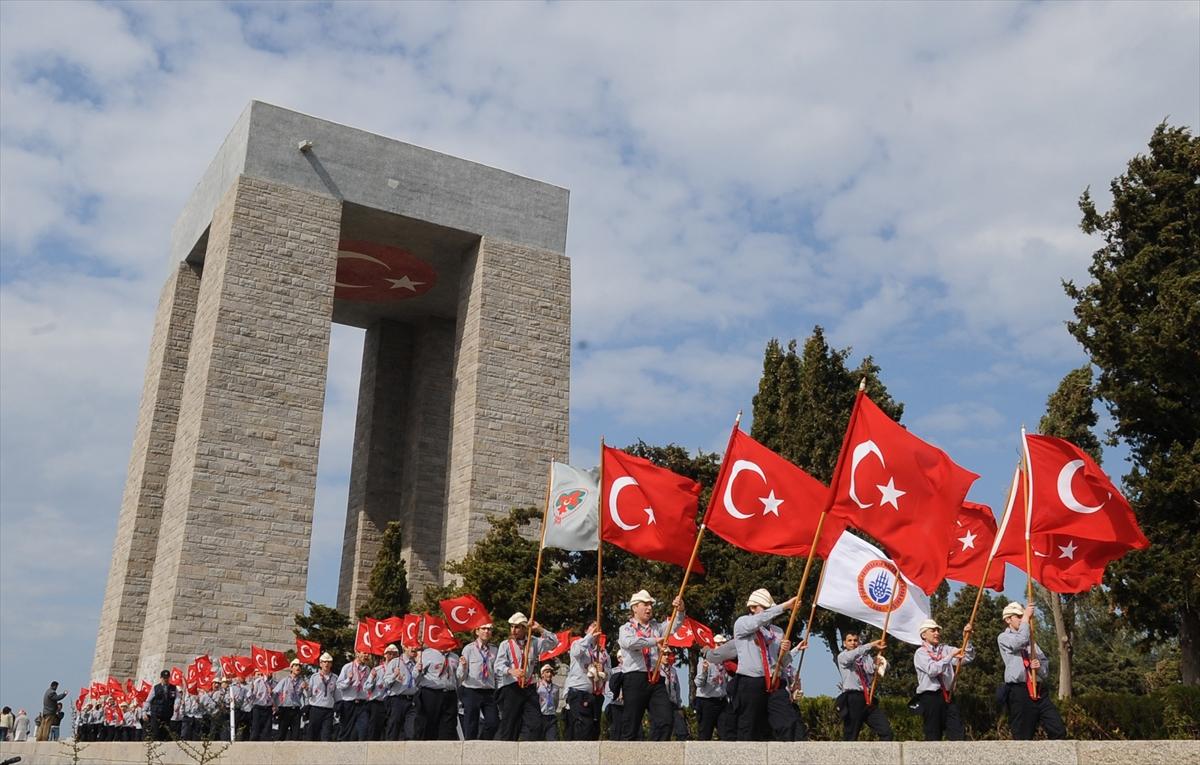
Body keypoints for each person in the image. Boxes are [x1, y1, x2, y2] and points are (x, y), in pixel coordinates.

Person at [731, 588, 801, 741]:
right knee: (749, 726)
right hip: (751, 682)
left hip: (775, 681)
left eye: (771, 608)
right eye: (765, 608)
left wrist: (785, 652)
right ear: (752, 608)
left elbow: (783, 661)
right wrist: (784, 607)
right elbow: (758, 621)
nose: (770, 613)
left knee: (788, 722)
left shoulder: (777, 631)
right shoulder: (742, 624)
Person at [617, 590, 685, 741]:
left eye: (651, 605)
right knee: (631, 725)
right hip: (634, 678)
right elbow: (631, 643)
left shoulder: (656, 627)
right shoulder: (626, 628)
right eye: (645, 604)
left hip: (655, 678)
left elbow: (674, 625)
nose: (649, 608)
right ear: (634, 607)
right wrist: (655, 641)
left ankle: (657, 755)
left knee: (665, 720)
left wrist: (680, 609)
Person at [998, 601, 1067, 740]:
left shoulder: (1031, 641)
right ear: (1008, 619)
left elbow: (1045, 666)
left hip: (1038, 690)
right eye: (1018, 616)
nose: (1023, 619)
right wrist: (1026, 619)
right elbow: (1019, 642)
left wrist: (1038, 667)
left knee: (1058, 729)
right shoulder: (1004, 637)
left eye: (1022, 616)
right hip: (1019, 690)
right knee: (1023, 735)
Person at [494, 611, 559, 741]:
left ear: (524, 628)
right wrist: (511, 671)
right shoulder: (505, 645)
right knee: (510, 724)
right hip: (511, 687)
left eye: (517, 627)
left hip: (529, 687)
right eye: (512, 626)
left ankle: (527, 749)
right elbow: (497, 666)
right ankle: (505, 753)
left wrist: (539, 628)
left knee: (535, 722)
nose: (514, 630)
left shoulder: (534, 642)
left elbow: (554, 642)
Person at [913, 618, 974, 741]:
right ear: (924, 635)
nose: (937, 633)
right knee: (933, 734)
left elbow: (966, 658)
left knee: (958, 733)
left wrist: (966, 639)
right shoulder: (920, 653)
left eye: (938, 630)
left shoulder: (945, 649)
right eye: (933, 630)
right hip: (930, 697)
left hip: (948, 695)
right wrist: (949, 656)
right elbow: (932, 670)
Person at [835, 630, 893, 741]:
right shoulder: (842, 656)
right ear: (844, 643)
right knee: (850, 735)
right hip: (853, 698)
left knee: (886, 731)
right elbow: (852, 655)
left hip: (868, 698)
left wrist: (881, 663)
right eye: (850, 640)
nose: (853, 643)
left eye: (855, 640)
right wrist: (871, 645)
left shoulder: (865, 658)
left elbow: (876, 670)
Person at [565, 620, 609, 740]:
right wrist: (589, 637)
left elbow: (609, 673)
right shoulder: (578, 644)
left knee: (594, 728)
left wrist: (603, 670)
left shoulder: (603, 652)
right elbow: (575, 653)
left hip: (594, 694)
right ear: (586, 630)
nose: (596, 629)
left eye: (598, 627)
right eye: (592, 626)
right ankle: (580, 754)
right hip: (578, 691)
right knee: (583, 724)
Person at [457, 622, 499, 739]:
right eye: (484, 628)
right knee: (471, 724)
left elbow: (496, 672)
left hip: (488, 691)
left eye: (489, 629)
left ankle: (482, 743)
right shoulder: (469, 649)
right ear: (477, 631)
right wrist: (463, 667)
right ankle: (470, 748)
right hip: (471, 690)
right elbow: (461, 676)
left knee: (493, 723)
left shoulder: (494, 650)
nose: (487, 631)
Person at [417, 634, 460, 740]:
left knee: (449, 727)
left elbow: (458, 677)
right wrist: (417, 669)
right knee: (430, 724)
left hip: (449, 693)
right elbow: (416, 675)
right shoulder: (427, 654)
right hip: (431, 693)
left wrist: (463, 667)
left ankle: (445, 751)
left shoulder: (455, 657)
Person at [694, 633, 733, 740]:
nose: (722, 647)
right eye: (719, 644)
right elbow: (698, 683)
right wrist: (704, 672)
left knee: (726, 733)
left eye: (723, 645)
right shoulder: (705, 661)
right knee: (705, 733)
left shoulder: (725, 663)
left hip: (721, 701)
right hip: (707, 701)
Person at [380, 642, 420, 740]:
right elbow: (385, 683)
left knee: (411, 729)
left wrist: (419, 672)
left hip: (412, 700)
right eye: (411, 645)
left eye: (416, 646)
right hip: (397, 699)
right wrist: (394, 676)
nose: (414, 648)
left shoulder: (416, 664)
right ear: (404, 647)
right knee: (394, 727)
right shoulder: (395, 662)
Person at [337, 650, 372, 741]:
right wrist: (348, 679)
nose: (366, 655)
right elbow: (339, 685)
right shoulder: (347, 667)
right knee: (346, 731)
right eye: (364, 653)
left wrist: (372, 680)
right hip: (349, 703)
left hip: (362, 703)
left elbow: (367, 686)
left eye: (367, 653)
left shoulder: (367, 669)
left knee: (364, 729)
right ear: (357, 654)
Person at [305, 653, 339, 742]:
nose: (326, 664)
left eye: (328, 662)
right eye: (324, 662)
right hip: (316, 709)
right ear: (320, 664)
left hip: (328, 710)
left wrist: (338, 708)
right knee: (312, 734)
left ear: (331, 664)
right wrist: (306, 688)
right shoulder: (314, 677)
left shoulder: (335, 678)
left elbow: (337, 696)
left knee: (326, 735)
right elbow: (309, 694)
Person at [275, 658, 308, 741]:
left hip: (296, 710)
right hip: (285, 709)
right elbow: (275, 692)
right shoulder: (284, 680)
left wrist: (306, 688)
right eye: (296, 665)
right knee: (281, 734)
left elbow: (308, 696)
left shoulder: (302, 681)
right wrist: (275, 706)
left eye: (300, 666)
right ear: (291, 668)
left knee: (296, 735)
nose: (298, 667)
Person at [147, 670, 177, 741]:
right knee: (156, 733)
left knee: (166, 733)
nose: (166, 680)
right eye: (164, 678)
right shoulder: (156, 688)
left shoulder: (173, 688)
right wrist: (144, 712)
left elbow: (177, 698)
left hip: (167, 714)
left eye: (167, 678)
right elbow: (148, 700)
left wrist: (177, 705)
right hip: (156, 714)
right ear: (161, 678)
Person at [536, 664, 561, 740]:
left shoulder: (556, 688)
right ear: (542, 674)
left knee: (553, 740)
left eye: (550, 672)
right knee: (538, 741)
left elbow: (556, 702)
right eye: (547, 672)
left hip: (551, 716)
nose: (549, 674)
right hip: (541, 716)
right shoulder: (538, 686)